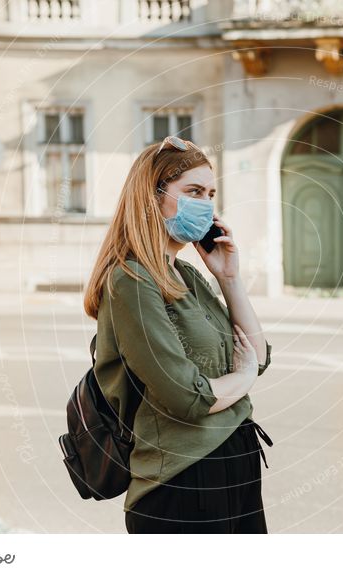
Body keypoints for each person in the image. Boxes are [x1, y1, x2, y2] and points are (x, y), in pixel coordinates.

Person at [83, 135, 274, 533]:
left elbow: (258, 353)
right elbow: (186, 396)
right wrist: (243, 377)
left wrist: (228, 278)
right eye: (192, 192)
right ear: (153, 198)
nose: (205, 203)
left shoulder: (185, 273)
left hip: (235, 463)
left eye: (210, 193)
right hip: (184, 480)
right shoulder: (132, 280)